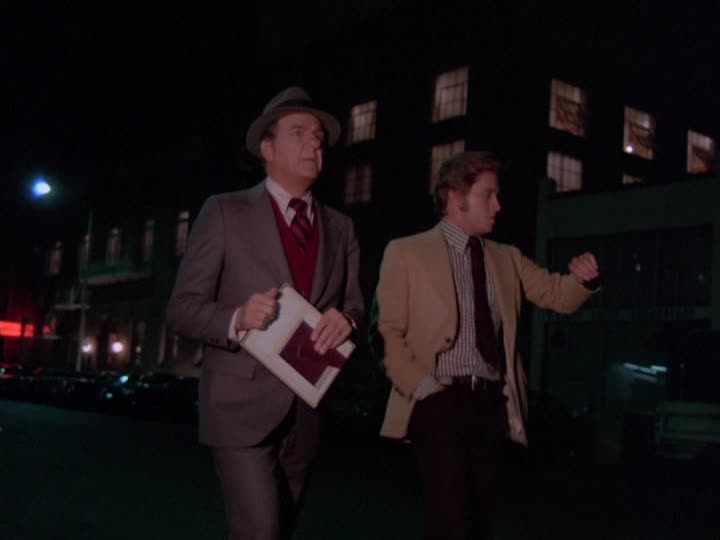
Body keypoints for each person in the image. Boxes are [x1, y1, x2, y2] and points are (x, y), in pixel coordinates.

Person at [166, 86, 364, 540]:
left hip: (307, 410)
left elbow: (355, 303)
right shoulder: (224, 212)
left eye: (318, 137)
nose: (314, 142)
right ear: (267, 149)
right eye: (299, 132)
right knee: (260, 529)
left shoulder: (342, 228)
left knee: (281, 530)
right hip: (238, 406)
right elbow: (180, 309)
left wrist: (348, 321)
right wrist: (235, 318)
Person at [376, 151, 599, 540]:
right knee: (453, 523)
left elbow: (557, 294)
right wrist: (424, 387)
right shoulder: (406, 251)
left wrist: (584, 279)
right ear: (454, 196)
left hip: (492, 405)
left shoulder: (507, 257)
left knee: (479, 525)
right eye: (488, 194)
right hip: (438, 402)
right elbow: (385, 333)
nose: (499, 205)